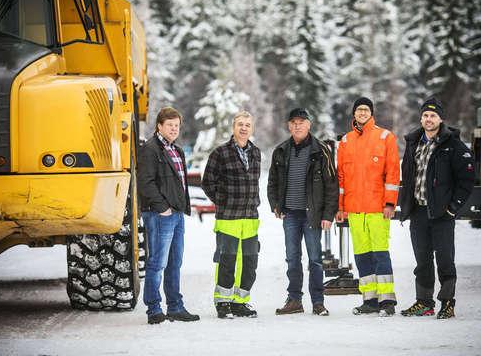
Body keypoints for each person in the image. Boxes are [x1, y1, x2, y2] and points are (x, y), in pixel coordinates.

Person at [398, 98, 475, 319]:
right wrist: (407, 206)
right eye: (425, 115)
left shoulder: (453, 145)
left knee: (444, 260)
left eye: (432, 115)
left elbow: (467, 181)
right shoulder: (414, 143)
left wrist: (452, 209)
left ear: (441, 119)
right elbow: (409, 177)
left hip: (442, 214)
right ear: (421, 118)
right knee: (422, 261)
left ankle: (447, 303)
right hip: (418, 212)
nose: (428, 119)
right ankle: (424, 302)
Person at [268, 108, 338, 317]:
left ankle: (318, 302)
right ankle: (294, 300)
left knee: (315, 259)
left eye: (301, 122)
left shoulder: (321, 150)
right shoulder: (281, 150)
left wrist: (328, 215)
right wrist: (276, 205)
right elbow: (272, 182)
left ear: (309, 125)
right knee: (292, 258)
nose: (297, 125)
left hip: (312, 215)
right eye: (293, 122)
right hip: (290, 214)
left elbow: (332, 185)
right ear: (289, 126)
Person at [336, 97, 400, 317]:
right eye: (358, 110)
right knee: (362, 255)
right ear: (353, 114)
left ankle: (387, 301)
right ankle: (370, 299)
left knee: (380, 253)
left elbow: (393, 173)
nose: (362, 113)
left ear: (371, 113)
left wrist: (390, 203)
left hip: (377, 209)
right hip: (354, 210)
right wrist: (341, 207)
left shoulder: (385, 137)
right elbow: (341, 179)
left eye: (366, 109)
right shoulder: (345, 142)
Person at [137, 106, 200, 324]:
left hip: (176, 214)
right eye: (169, 125)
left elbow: (179, 184)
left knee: (175, 262)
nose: (174, 129)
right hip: (159, 214)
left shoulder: (177, 150)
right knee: (157, 263)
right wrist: (162, 207)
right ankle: (154, 309)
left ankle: (175, 307)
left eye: (176, 126)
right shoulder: (150, 149)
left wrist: (180, 208)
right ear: (159, 126)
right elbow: (145, 182)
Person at [202, 111, 261, 319]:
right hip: (228, 218)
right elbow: (207, 182)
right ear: (233, 128)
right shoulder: (220, 153)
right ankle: (223, 302)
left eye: (247, 125)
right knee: (227, 262)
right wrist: (223, 199)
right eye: (240, 125)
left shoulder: (256, 153)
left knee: (249, 264)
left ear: (251, 129)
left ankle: (240, 302)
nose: (244, 128)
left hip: (250, 218)